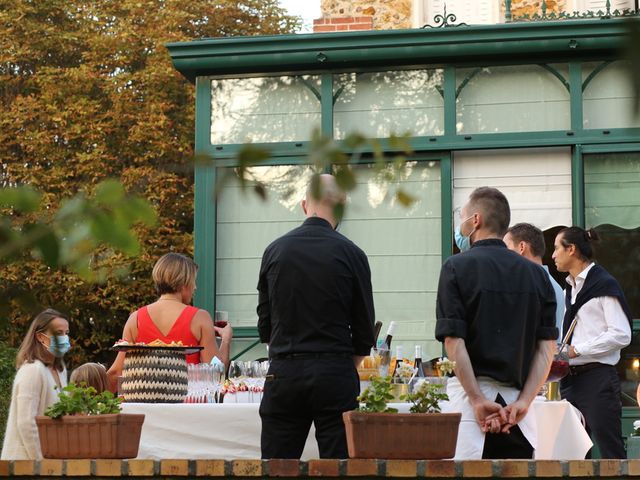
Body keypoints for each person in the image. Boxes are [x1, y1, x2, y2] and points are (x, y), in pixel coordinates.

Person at [257, 173, 375, 459]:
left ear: (303, 205)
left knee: (277, 466)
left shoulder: (275, 251)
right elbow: (363, 330)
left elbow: (265, 324)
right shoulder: (352, 253)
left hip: (285, 370)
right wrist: (343, 363)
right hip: (334, 371)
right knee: (339, 467)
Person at [435, 187, 558, 459]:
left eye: (462, 217)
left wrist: (478, 399)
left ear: (475, 220)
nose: (460, 225)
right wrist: (525, 401)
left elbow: (454, 342)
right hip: (519, 414)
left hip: (469, 408)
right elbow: (547, 347)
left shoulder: (455, 267)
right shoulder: (538, 276)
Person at [552, 226, 631, 459]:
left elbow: (621, 334)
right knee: (571, 453)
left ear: (572, 249)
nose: (553, 255)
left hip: (597, 379)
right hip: (569, 380)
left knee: (610, 451)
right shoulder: (571, 288)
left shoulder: (603, 284)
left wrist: (577, 350)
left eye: (557, 248)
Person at [107, 252, 233, 391]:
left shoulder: (135, 319)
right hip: (186, 406)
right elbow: (216, 373)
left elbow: (115, 374)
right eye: (193, 281)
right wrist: (226, 340)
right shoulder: (200, 318)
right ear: (183, 283)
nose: (195, 287)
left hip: (144, 405)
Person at [1, 309, 71, 460]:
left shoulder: (60, 370)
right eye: (58, 333)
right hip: (24, 463)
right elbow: (26, 423)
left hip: (51, 461)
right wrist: (41, 462)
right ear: (40, 336)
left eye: (66, 332)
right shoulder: (32, 370)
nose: (64, 338)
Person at [504, 222, 565, 341]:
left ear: (522, 247)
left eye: (507, 248)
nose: (503, 254)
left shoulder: (531, 286)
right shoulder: (552, 285)